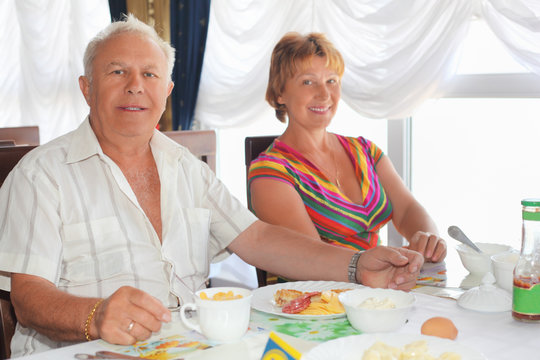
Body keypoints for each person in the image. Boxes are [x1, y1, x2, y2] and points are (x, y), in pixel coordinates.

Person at [0, 16, 423, 357]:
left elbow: (256, 237)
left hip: (188, 348)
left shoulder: (186, 167)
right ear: (86, 88)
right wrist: (94, 315)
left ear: (166, 91)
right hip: (85, 352)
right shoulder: (41, 175)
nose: (135, 85)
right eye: (117, 71)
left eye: (149, 74)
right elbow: (27, 297)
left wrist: (356, 264)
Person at [248, 32, 446, 265]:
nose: (324, 94)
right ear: (280, 93)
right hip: (318, 298)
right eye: (308, 82)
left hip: (376, 290)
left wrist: (427, 238)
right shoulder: (269, 173)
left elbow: (406, 210)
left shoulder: (365, 151)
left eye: (331, 81)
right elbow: (312, 260)